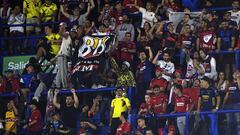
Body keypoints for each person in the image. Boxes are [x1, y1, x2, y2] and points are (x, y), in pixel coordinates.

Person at [222, 71, 240, 135]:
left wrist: (238, 78)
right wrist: (223, 105)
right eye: (234, 73)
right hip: (229, 105)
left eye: (237, 74)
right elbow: (227, 94)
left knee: (238, 121)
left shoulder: (239, 83)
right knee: (229, 122)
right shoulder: (230, 83)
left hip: (237, 104)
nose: (235, 75)